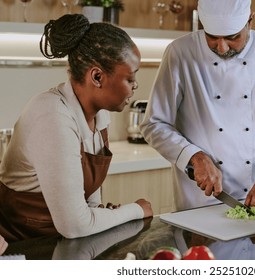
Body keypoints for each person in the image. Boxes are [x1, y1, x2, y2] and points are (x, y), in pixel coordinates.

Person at [140, 0, 255, 211]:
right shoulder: (180, 53)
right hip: (198, 200)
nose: (221, 47)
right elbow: (154, 123)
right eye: (212, 37)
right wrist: (194, 156)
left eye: (232, 37)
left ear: (250, 20)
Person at [0, 14, 153, 243]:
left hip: (63, 245)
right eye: (130, 79)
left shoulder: (99, 115)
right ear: (97, 76)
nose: (135, 86)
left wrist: (103, 215)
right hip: (25, 248)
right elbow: (75, 225)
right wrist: (137, 210)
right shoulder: (53, 116)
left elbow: (88, 205)